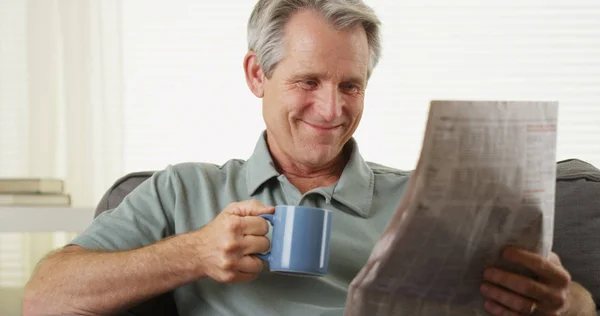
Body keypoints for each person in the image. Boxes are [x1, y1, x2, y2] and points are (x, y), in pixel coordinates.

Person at [23, 0, 596, 315]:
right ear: (257, 74)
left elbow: (576, 303)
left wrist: (562, 303)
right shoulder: (183, 192)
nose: (331, 109)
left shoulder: (427, 200)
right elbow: (45, 297)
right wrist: (194, 253)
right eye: (308, 81)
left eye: (351, 86)